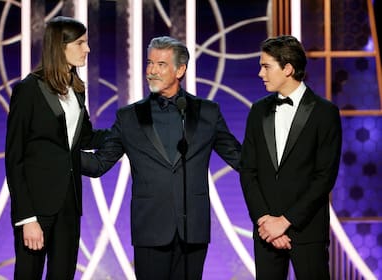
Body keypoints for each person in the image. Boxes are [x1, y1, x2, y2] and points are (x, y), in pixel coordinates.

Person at [81, 36, 241, 279]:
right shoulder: (129, 117)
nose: (152, 71)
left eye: (161, 64)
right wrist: (59, 154)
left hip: (192, 229)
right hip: (150, 229)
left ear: (180, 69)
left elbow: (240, 159)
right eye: (149, 63)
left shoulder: (208, 112)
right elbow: (99, 164)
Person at [5, 16, 107, 279]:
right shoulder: (28, 90)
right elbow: (14, 159)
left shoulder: (76, 91)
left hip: (69, 207)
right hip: (37, 210)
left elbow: (84, 138)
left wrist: (127, 132)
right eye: (81, 43)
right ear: (60, 47)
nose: (87, 49)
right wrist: (27, 219)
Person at [239, 35, 342, 280]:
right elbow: (248, 171)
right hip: (265, 233)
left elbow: (324, 177)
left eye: (266, 66)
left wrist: (285, 221)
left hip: (307, 231)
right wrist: (265, 221)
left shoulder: (325, 112)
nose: (260, 74)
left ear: (288, 68)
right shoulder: (258, 111)